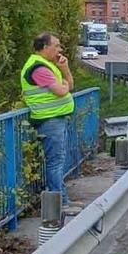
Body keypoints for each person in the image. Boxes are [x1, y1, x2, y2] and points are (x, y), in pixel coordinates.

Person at [21, 33, 75, 204]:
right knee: (55, 163)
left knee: (58, 161)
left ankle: (62, 200)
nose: (60, 50)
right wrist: (64, 87)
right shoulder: (39, 68)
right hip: (49, 121)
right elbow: (60, 91)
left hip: (55, 119)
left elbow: (69, 86)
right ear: (45, 47)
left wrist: (65, 70)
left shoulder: (47, 66)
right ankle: (60, 203)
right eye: (57, 46)